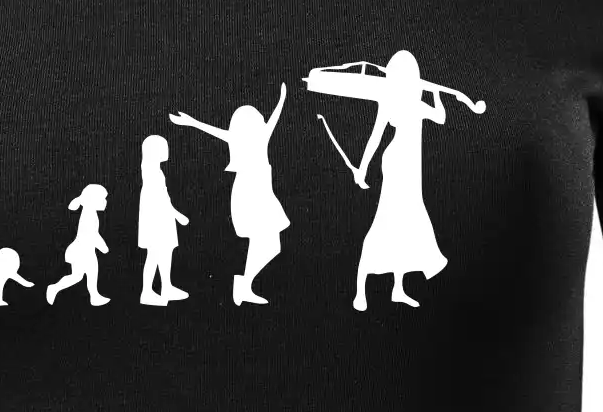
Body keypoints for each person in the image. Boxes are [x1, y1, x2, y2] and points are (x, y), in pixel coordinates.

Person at [310, 49, 481, 310]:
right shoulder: (390, 101)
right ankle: (360, 291)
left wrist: (435, 92)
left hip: (412, 167)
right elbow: (376, 137)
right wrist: (363, 168)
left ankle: (398, 289)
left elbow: (440, 117)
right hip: (396, 162)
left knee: (406, 224)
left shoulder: (417, 101)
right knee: (387, 220)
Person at [168, 84, 289, 304]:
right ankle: (244, 285)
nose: (263, 120)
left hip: (261, 196)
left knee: (272, 246)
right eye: (259, 118)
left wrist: (282, 98)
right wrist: (281, 98)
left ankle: (244, 284)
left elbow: (272, 119)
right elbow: (273, 119)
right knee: (266, 243)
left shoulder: (254, 139)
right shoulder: (252, 139)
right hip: (252, 196)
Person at [135, 135, 189, 305]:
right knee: (154, 254)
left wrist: (174, 214)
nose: (166, 150)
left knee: (164, 252)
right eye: (162, 147)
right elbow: (159, 198)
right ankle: (147, 292)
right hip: (156, 218)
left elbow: (164, 197)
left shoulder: (155, 170)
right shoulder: (151, 171)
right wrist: (177, 215)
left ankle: (166, 287)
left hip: (162, 217)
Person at [46, 184, 110, 305]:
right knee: (85, 274)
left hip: (85, 250)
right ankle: (55, 288)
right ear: (92, 200)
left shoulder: (91, 213)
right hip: (82, 250)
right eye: (102, 199)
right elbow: (92, 234)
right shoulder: (89, 215)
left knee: (81, 275)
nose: (105, 202)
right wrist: (103, 247)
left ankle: (93, 296)